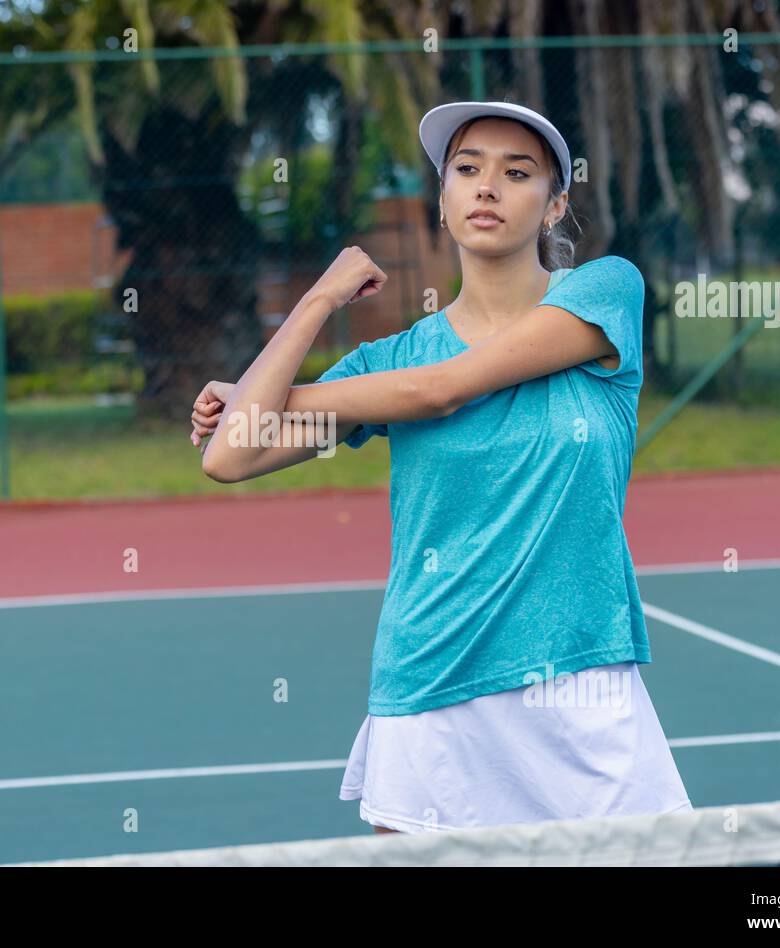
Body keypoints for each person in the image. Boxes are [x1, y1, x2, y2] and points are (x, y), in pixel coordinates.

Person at [189, 101, 692, 835]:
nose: (487, 186)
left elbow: (441, 389)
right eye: (466, 169)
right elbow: (231, 454)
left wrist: (254, 392)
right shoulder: (385, 364)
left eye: (516, 173)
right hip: (432, 687)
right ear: (444, 198)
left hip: (583, 686)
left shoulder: (603, 294)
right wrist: (319, 297)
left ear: (555, 205)